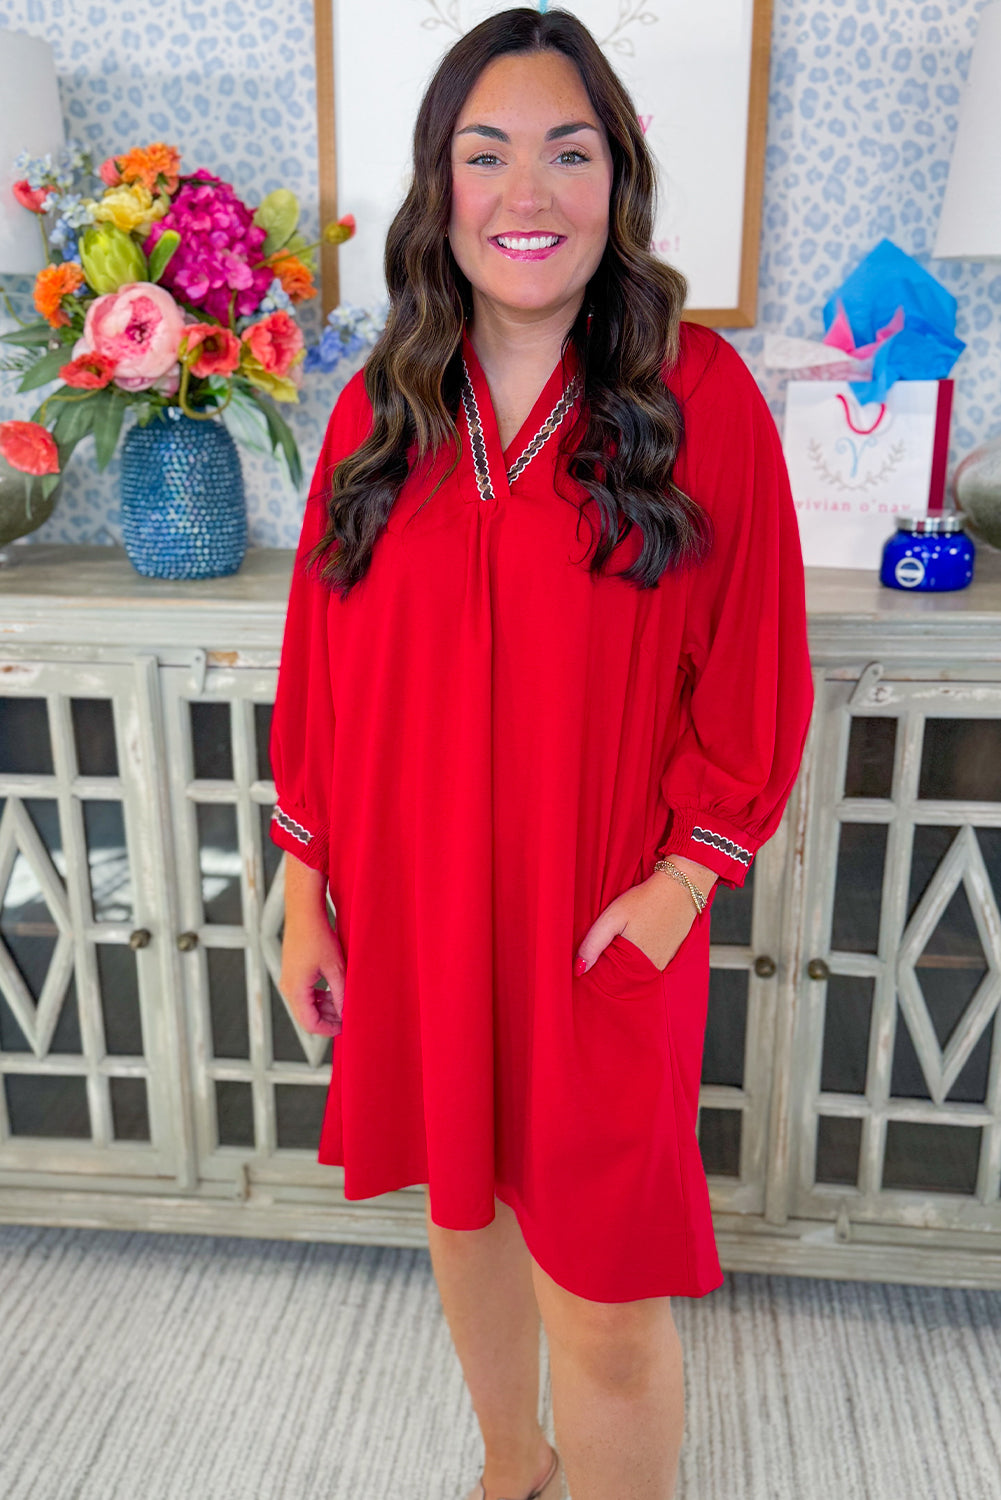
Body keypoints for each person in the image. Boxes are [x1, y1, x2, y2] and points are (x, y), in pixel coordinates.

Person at [269, 8, 814, 1499]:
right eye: (486, 153)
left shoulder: (698, 401)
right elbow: (322, 662)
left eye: (567, 153)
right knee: (463, 1218)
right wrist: (302, 881)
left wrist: (674, 893)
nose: (527, 193)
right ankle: (513, 1467)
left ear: (616, 177)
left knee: (610, 1301)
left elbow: (756, 671)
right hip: (417, 904)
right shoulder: (384, 408)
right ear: (438, 187)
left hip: (598, 922)